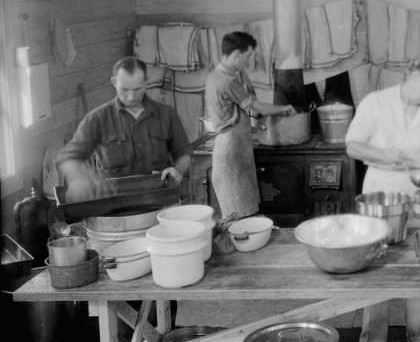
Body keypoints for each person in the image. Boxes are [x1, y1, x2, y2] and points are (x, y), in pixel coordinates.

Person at [345, 57, 420, 342]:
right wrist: (384, 155)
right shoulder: (375, 102)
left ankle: (419, 340)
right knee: (376, 265)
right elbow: (352, 145)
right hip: (380, 190)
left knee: (418, 266)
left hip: (416, 190)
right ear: (412, 77)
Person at [57, 57, 192, 202]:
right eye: (125, 89)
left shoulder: (166, 114)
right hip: (113, 207)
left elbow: (184, 153)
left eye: (137, 89)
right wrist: (79, 179)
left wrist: (177, 171)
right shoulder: (98, 118)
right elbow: (68, 157)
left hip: (160, 201)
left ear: (146, 82)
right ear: (114, 82)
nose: (131, 97)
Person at [204, 31, 294, 230]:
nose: (250, 60)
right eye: (248, 55)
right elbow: (257, 107)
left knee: (243, 206)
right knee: (238, 211)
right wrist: (285, 109)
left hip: (236, 144)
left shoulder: (217, 75)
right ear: (236, 54)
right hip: (231, 146)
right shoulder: (227, 82)